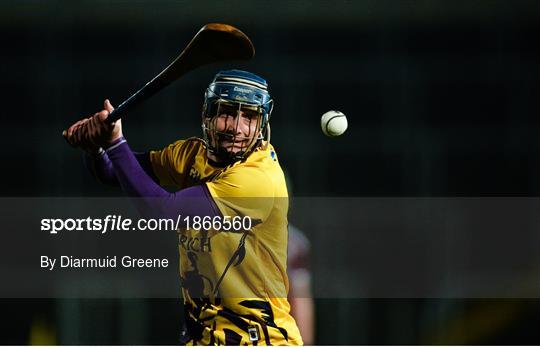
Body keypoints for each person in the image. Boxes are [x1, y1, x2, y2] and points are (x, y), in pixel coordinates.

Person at [65, 70, 303, 345]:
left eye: (249, 117)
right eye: (227, 112)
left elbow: (162, 213)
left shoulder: (257, 180)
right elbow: (115, 171)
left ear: (261, 123)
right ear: (208, 115)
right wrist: (95, 147)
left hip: (261, 340)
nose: (237, 127)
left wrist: (115, 143)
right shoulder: (193, 156)